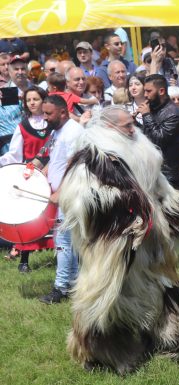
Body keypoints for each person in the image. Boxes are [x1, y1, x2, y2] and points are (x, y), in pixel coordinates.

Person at [57, 107, 179, 374]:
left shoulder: (142, 156)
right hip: (113, 247)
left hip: (150, 240)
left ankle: (174, 342)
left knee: (163, 288)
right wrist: (118, 204)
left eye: (133, 125)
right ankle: (104, 355)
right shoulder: (89, 159)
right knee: (108, 301)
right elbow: (76, 200)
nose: (133, 131)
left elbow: (163, 192)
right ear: (108, 129)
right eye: (126, 127)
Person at [38, 94, 84, 304]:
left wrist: (61, 192)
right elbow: (55, 161)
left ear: (63, 112)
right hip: (64, 195)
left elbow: (74, 166)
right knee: (67, 242)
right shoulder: (60, 131)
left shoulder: (73, 132)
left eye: (48, 113)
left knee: (64, 242)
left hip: (71, 195)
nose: (44, 118)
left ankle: (61, 288)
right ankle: (72, 285)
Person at [0, 86, 51, 272]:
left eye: (36, 99)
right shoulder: (22, 127)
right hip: (31, 175)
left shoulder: (52, 124)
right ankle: (24, 259)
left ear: (43, 101)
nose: (32, 103)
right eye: (29, 100)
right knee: (30, 218)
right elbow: (14, 154)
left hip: (53, 172)